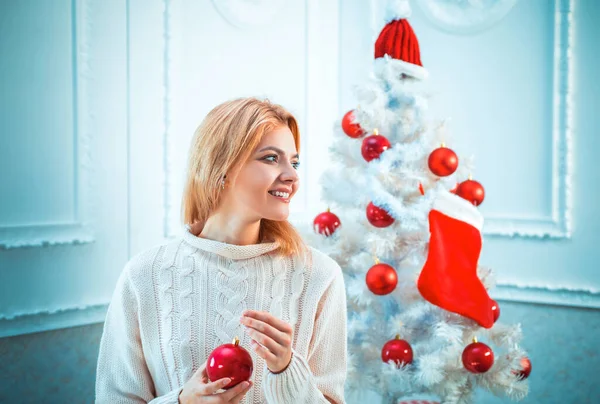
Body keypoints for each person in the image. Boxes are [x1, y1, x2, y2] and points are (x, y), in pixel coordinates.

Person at [95, 97, 348, 403]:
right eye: (271, 158)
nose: (292, 175)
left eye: (294, 162)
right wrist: (180, 402)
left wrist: (286, 371)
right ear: (222, 166)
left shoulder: (319, 276)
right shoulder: (143, 275)